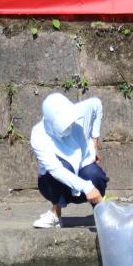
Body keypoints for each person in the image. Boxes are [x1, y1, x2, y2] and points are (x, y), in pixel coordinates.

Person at [30, 92, 106, 229]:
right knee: (63, 167)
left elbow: (97, 104)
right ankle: (55, 213)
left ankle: (101, 212)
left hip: (82, 171)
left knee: (95, 174)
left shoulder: (80, 110)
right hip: (55, 184)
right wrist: (87, 187)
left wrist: (95, 142)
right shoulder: (38, 135)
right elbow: (55, 169)